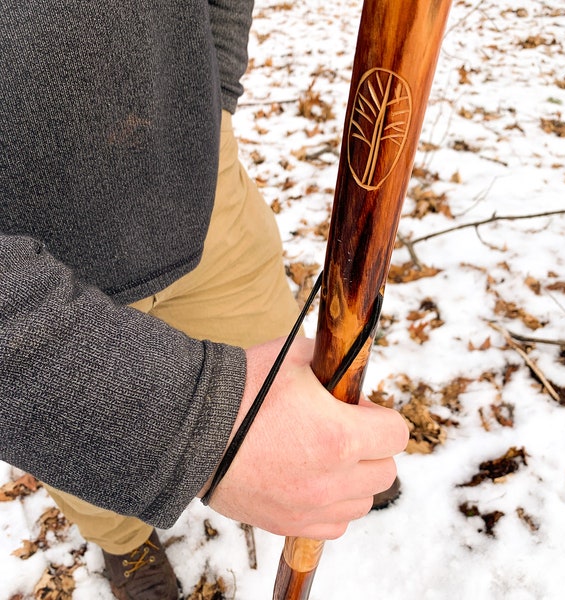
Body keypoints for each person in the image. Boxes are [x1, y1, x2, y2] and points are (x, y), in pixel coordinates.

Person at [0, 2, 409, 599]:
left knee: (283, 346)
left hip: (193, 169)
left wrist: (213, 82)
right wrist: (190, 430)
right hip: (29, 255)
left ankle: (326, 449)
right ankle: (125, 543)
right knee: (87, 453)